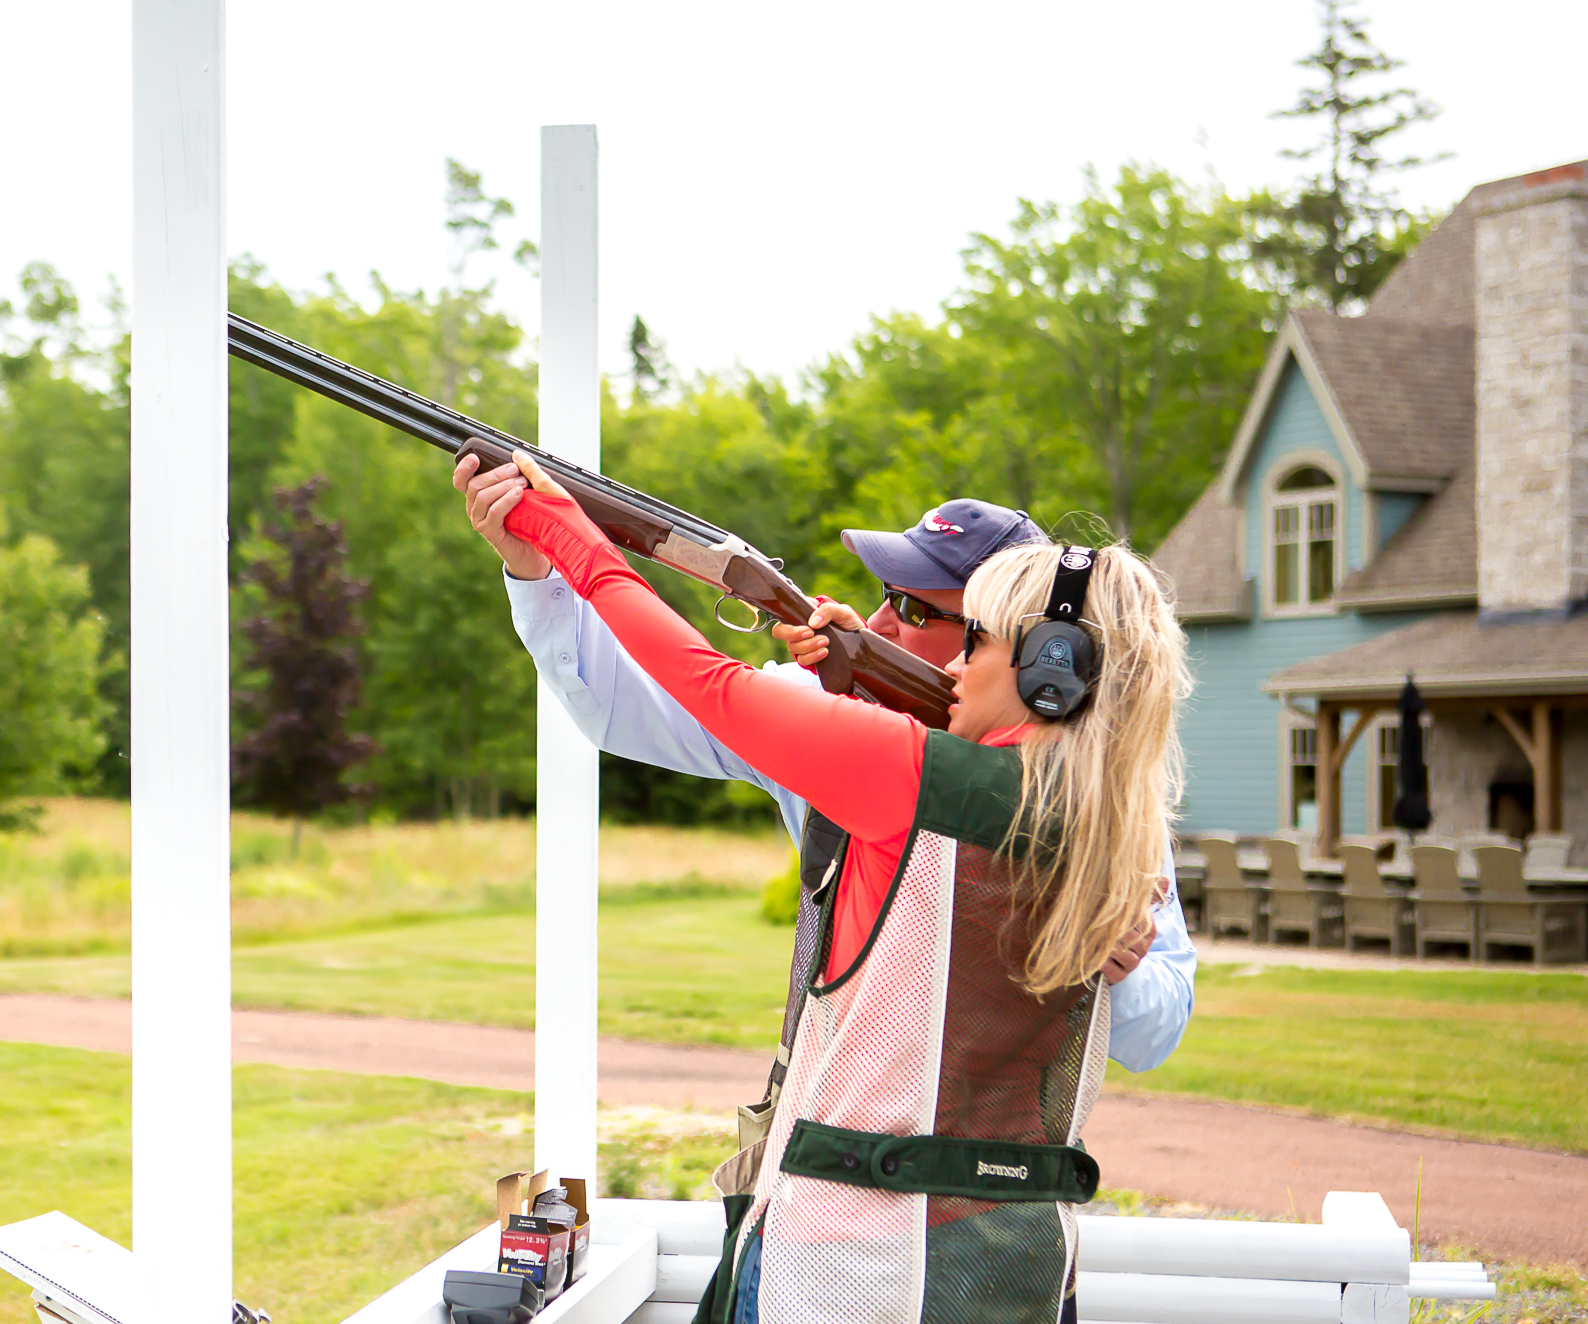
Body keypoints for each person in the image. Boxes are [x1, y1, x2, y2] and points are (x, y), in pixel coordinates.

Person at [483, 450, 1191, 1324]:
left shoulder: (898, 764)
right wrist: (854, 683)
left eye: (964, 632)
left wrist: (563, 530)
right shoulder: (1118, 814)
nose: (957, 662)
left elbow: (707, 682)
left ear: (1050, 669)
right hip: (1012, 1262)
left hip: (840, 1263)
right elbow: (625, 705)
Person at [452, 455, 1195, 1081]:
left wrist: (1117, 968)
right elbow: (618, 710)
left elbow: (1152, 1034)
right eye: (881, 596)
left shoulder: (1097, 786)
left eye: (912, 606)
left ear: (1034, 655)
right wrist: (536, 571)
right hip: (834, 1117)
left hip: (966, 1162)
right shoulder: (828, 707)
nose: (877, 623)